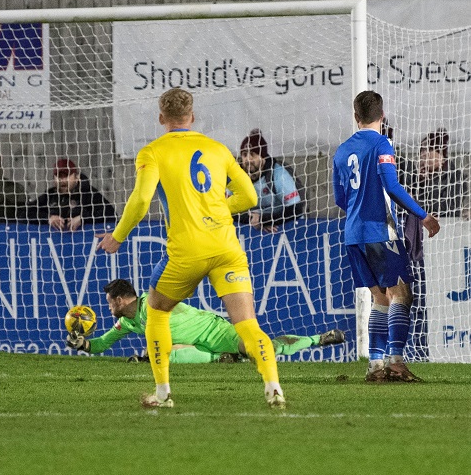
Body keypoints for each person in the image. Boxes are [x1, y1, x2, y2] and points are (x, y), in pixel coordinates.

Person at [97, 88, 285, 409]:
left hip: (187, 250)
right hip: (226, 245)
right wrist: (221, 208)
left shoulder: (152, 152)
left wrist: (118, 235)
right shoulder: (217, 149)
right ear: (192, 116)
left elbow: (141, 200)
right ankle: (273, 386)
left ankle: (163, 394)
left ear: (161, 118)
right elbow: (250, 199)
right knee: (247, 324)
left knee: (155, 312)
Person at [332, 90, 440, 383]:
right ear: (382, 116)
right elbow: (391, 186)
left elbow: (340, 198)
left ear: (356, 117)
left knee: (380, 298)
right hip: (380, 230)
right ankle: (395, 362)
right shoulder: (382, 143)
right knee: (402, 294)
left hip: (353, 234)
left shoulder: (341, 151)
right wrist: (423, 215)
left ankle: (375, 365)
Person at [65, 279, 345, 363]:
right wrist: (84, 344)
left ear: (120, 301)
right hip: (191, 345)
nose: (107, 307)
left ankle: (316, 339)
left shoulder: (155, 303)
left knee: (261, 349)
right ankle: (219, 358)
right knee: (156, 354)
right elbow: (102, 344)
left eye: (109, 302)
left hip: (214, 330)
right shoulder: (126, 323)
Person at [401, 129, 469, 360]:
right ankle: (418, 350)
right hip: (421, 253)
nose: (423, 157)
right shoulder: (412, 178)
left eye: (427, 152)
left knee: (443, 303)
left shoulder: (454, 177)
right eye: (421, 153)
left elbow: (448, 208)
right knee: (418, 301)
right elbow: (406, 205)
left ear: (441, 155)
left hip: (446, 254)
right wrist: (419, 181)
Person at [236, 128, 305, 233]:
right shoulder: (237, 177)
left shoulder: (278, 174)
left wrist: (264, 220)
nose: (248, 159)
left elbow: (296, 209)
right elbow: (225, 211)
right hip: (256, 229)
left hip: (285, 228)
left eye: (253, 154)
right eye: (245, 155)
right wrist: (256, 221)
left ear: (263, 157)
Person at [31, 158, 116, 231]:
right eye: (59, 177)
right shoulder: (50, 195)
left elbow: (110, 214)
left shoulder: (88, 193)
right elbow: (25, 212)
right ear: (54, 179)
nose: (63, 180)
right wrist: (48, 218)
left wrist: (83, 218)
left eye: (66, 176)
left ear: (76, 177)